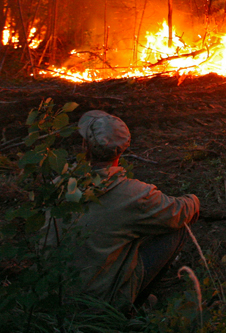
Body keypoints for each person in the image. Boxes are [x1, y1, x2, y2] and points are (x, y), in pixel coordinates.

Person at [54, 110, 200, 307]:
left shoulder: (60, 183)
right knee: (175, 229)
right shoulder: (132, 195)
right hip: (98, 300)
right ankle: (130, 305)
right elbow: (178, 212)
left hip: (53, 291)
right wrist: (194, 200)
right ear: (122, 150)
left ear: (85, 146)